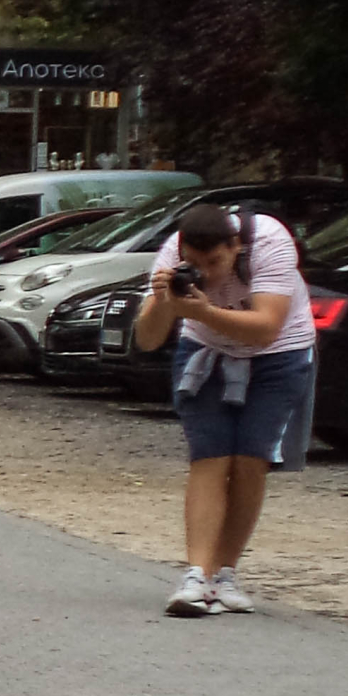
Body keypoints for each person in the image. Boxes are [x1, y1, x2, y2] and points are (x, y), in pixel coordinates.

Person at [130, 201, 315, 618]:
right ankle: (197, 575)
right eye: (195, 263)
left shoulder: (270, 241)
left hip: (279, 354)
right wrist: (164, 302)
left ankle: (225, 574)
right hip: (206, 352)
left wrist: (205, 311)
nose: (207, 273)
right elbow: (147, 338)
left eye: (214, 262)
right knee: (210, 457)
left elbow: (267, 328)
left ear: (236, 246)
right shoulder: (172, 256)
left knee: (251, 459)